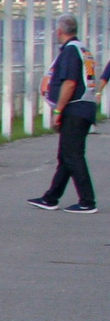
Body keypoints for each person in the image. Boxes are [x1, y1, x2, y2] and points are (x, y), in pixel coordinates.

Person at [29, 16, 99, 214]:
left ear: (59, 31)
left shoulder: (70, 51)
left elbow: (69, 83)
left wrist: (58, 111)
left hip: (75, 108)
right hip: (85, 107)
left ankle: (87, 201)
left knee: (73, 155)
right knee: (66, 155)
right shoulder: (83, 49)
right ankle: (50, 197)